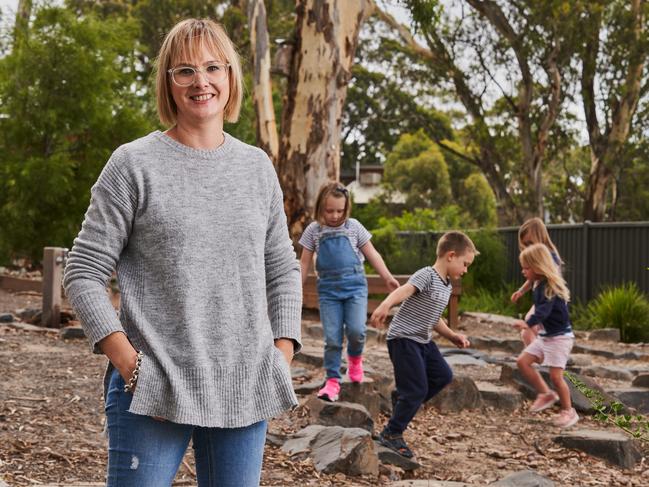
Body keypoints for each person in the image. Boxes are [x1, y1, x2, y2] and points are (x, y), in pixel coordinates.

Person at [63, 18, 302, 487]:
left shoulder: (256, 168)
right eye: (184, 70)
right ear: (168, 83)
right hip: (154, 386)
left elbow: (281, 269)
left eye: (213, 67)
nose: (201, 81)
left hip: (244, 384)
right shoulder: (134, 164)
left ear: (231, 76)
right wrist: (129, 364)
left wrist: (282, 352)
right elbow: (83, 271)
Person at [370, 231, 477, 458]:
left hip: (422, 340)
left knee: (442, 376)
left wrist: (452, 336)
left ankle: (403, 398)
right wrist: (386, 305)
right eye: (465, 264)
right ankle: (392, 433)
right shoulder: (427, 275)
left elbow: (434, 317)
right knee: (416, 390)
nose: (466, 270)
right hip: (403, 339)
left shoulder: (446, 285)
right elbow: (405, 290)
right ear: (451, 255)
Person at [299, 181, 399, 401]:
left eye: (339, 211)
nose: (335, 216)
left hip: (355, 288)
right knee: (332, 338)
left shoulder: (353, 227)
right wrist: (296, 288)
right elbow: (304, 262)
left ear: (346, 209)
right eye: (329, 211)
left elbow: (372, 254)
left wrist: (387, 277)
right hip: (328, 292)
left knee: (356, 331)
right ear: (319, 208)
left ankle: (355, 359)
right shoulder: (313, 231)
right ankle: (332, 380)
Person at [513, 243, 579, 429]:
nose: (523, 271)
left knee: (557, 377)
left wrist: (528, 323)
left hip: (559, 339)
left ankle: (569, 411)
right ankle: (545, 393)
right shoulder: (538, 283)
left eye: (526, 268)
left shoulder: (550, 287)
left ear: (538, 267)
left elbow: (543, 311)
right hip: (546, 336)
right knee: (522, 362)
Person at [511, 217, 563, 346]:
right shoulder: (537, 257)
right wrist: (521, 291)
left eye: (530, 243)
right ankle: (535, 355)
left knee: (529, 324)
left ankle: (536, 355)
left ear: (540, 238)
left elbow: (552, 279)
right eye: (525, 245)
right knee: (529, 330)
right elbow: (532, 279)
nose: (528, 247)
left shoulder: (549, 257)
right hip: (541, 301)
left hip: (550, 300)